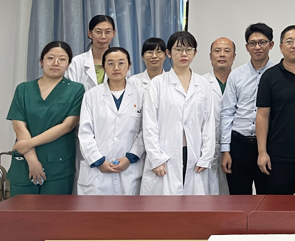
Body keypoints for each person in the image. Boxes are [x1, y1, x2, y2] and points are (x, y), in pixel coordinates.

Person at [141, 31, 215, 195]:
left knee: (193, 205)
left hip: (194, 154)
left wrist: (206, 156)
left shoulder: (203, 84)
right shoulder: (158, 84)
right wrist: (156, 158)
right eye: (178, 49)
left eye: (189, 50)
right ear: (169, 53)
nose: (184, 54)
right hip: (165, 154)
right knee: (165, 206)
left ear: (195, 53)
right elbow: (149, 123)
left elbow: (208, 123)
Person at [6, 41, 84, 196]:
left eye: (62, 59)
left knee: (54, 210)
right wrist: (32, 161)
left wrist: (28, 144)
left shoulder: (76, 90)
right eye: (50, 58)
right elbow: (19, 126)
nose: (56, 63)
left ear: (69, 63)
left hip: (58, 164)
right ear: (41, 61)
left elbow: (67, 126)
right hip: (25, 163)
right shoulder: (23, 89)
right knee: (21, 210)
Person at [257, 25, 295, 195]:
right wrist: (262, 152)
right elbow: (262, 116)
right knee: (278, 208)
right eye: (289, 41)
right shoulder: (269, 76)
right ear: (281, 47)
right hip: (278, 157)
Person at [77, 47, 145, 195]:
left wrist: (130, 158)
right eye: (110, 63)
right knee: (96, 210)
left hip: (129, 169)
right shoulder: (91, 96)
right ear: (103, 67)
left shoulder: (141, 95)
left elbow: (144, 131)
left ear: (129, 65)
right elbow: (85, 132)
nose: (116, 68)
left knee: (128, 209)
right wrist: (99, 161)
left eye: (121, 63)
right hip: (97, 173)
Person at [220, 23, 274, 195]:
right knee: (238, 198)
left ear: (271, 44)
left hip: (268, 144)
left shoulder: (277, 74)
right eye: (252, 43)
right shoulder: (236, 75)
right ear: (247, 47)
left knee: (267, 197)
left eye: (262, 42)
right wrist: (226, 150)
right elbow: (227, 113)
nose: (257, 47)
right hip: (239, 144)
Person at [203, 37, 236, 195]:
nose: (222, 54)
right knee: (207, 194)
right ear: (210, 56)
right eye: (217, 51)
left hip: (235, 148)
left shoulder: (240, 81)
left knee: (234, 195)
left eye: (227, 51)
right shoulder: (200, 83)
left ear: (234, 56)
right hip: (206, 149)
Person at [66, 15, 119, 90]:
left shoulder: (121, 62)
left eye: (108, 32)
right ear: (89, 33)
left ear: (114, 33)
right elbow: (71, 91)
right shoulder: (77, 62)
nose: (103, 36)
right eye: (98, 32)